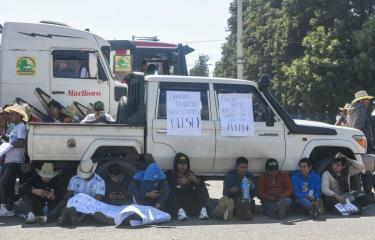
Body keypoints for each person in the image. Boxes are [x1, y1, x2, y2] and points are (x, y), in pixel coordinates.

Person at [0, 103, 28, 216]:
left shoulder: (21, 127)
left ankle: (9, 208)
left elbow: (21, 143)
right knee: (9, 184)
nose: (9, 116)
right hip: (9, 160)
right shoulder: (15, 127)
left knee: (4, 183)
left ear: (19, 115)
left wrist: (9, 143)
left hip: (15, 161)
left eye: (12, 114)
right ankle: (8, 208)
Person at [57, 160, 106, 226]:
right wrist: (71, 205)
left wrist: (84, 211)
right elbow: (69, 196)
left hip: (90, 207)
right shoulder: (74, 178)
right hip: (74, 206)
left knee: (96, 214)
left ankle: (67, 219)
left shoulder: (99, 181)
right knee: (63, 204)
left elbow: (97, 201)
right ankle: (70, 218)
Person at [347, 90, 375, 197]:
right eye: (366, 99)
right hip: (362, 143)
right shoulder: (361, 108)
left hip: (355, 143)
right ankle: (369, 194)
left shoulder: (351, 110)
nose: (368, 101)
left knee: (361, 169)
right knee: (367, 170)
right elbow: (357, 126)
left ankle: (366, 193)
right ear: (361, 101)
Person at [166, 153, 209, 220]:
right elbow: (165, 187)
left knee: (201, 185)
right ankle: (180, 212)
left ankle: (202, 211)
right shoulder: (170, 174)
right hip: (176, 205)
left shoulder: (190, 174)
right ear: (176, 164)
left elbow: (201, 187)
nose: (183, 166)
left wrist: (196, 180)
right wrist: (178, 182)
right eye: (180, 163)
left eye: (185, 164)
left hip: (189, 204)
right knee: (168, 189)